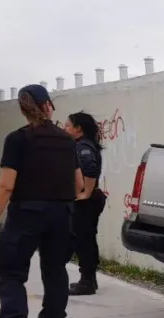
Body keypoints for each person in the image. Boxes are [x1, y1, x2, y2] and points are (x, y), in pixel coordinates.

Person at [0, 84, 86, 318]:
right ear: (48, 105)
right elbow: (80, 185)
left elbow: (7, 184)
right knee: (55, 271)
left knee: (10, 272)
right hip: (62, 214)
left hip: (27, 214)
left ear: (23, 108)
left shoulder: (18, 139)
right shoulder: (67, 141)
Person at [64, 112, 106, 295]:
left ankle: (87, 281)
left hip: (86, 201)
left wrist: (86, 193)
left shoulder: (83, 147)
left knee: (84, 241)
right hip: (87, 200)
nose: (65, 128)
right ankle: (89, 279)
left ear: (78, 128)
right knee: (85, 239)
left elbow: (89, 167)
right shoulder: (81, 145)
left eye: (67, 125)